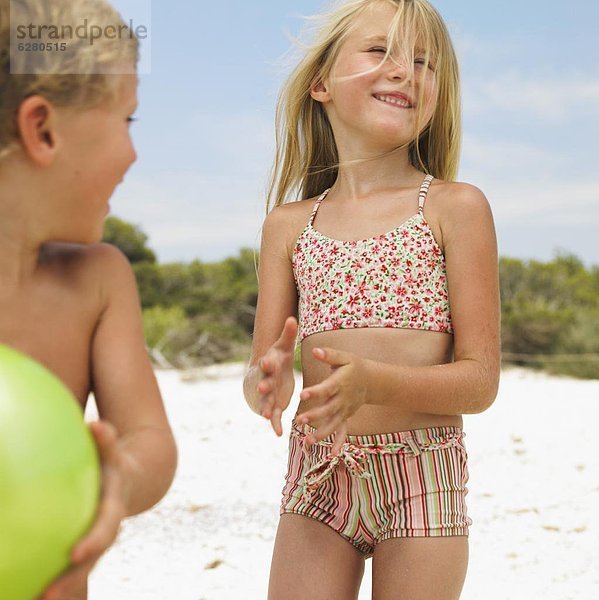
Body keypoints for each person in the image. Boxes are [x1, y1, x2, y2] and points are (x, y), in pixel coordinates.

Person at [243, 0, 500, 598]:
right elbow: (262, 380)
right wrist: (267, 379)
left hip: (421, 475)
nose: (405, 72)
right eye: (379, 51)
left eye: (423, 62)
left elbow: (480, 383)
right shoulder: (287, 225)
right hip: (316, 476)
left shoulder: (453, 208)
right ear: (321, 83)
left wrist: (371, 384)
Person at [0, 1, 177, 599]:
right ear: (43, 130)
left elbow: (149, 439)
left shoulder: (99, 280)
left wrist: (115, 479)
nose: (133, 153)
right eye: (127, 120)